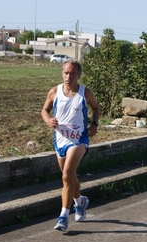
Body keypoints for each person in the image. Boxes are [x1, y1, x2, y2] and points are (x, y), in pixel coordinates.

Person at [41, 60, 100, 231]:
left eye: (72, 73)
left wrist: (94, 125)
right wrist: (48, 120)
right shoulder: (54, 92)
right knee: (71, 178)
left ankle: (63, 217)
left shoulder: (85, 93)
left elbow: (96, 108)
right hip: (60, 140)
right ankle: (80, 201)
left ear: (79, 75)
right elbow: (44, 110)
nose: (69, 77)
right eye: (66, 73)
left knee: (66, 175)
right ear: (62, 73)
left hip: (79, 139)